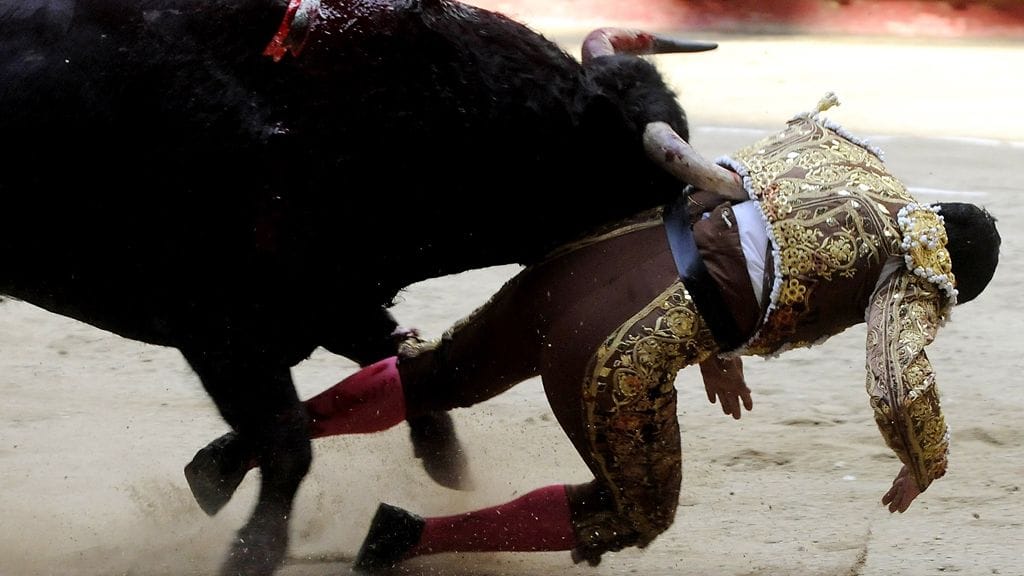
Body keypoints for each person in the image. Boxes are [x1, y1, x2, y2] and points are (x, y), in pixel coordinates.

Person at [187, 96, 1001, 571]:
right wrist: (922, 460)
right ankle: (407, 540)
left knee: (436, 375)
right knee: (633, 513)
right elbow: (898, 375)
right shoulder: (921, 265)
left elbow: (750, 228)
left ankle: (259, 440)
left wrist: (718, 349)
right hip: (626, 345)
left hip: (594, 258)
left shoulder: (847, 156)